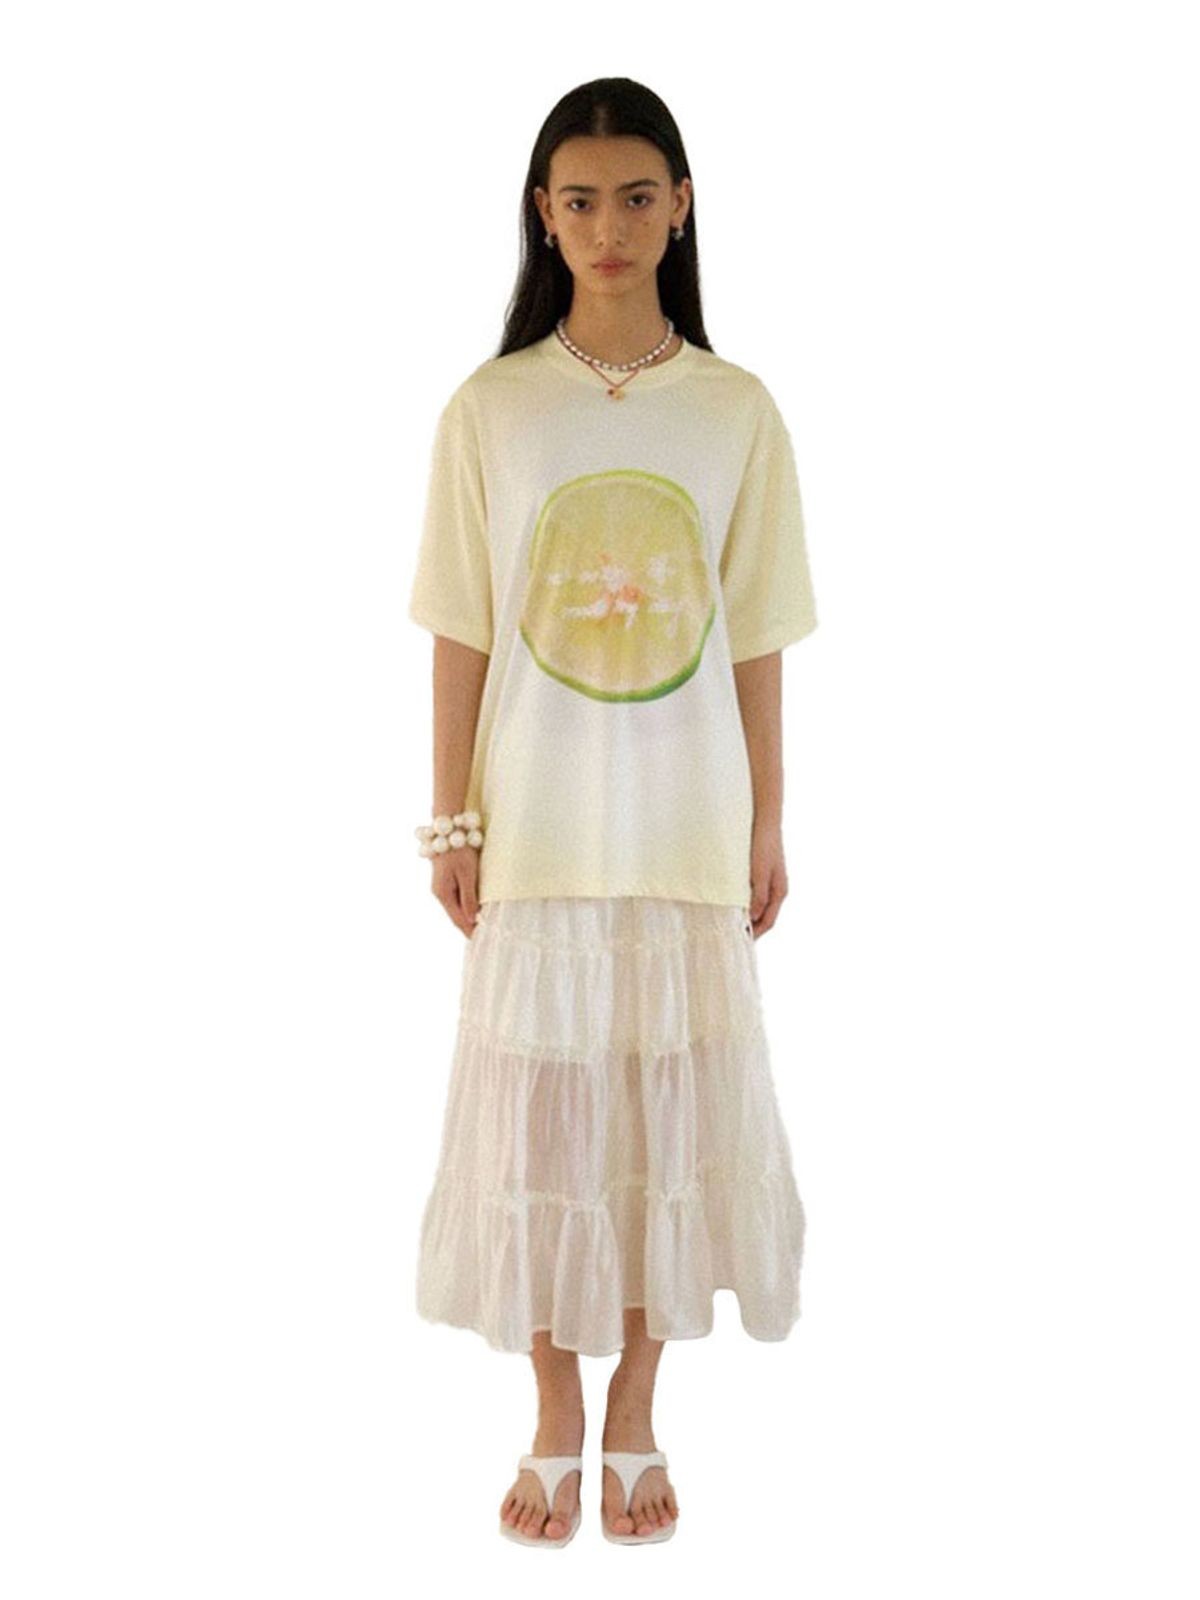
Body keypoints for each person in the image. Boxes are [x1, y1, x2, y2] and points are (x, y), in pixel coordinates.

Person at [407, 77, 819, 1548]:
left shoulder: (737, 409)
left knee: (660, 1119)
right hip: (537, 822)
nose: (608, 228)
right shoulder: (492, 408)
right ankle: (550, 1413)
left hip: (687, 821)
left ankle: (636, 1408)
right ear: (544, 215)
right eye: (579, 201)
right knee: (540, 1133)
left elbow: (757, 630)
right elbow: (461, 625)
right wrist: (451, 818)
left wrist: (769, 816)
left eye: (637, 197)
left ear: (681, 206)